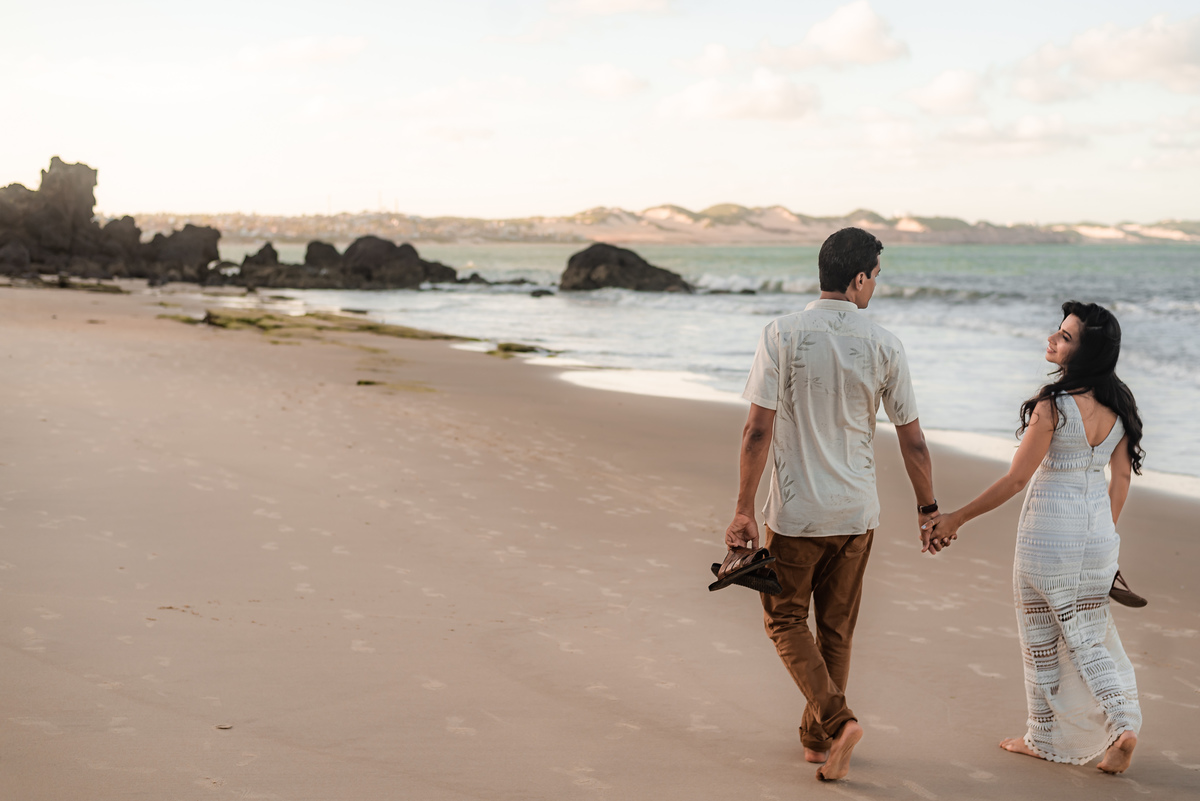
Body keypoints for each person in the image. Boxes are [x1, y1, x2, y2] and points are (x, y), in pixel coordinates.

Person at [725, 227, 941, 782]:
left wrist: (744, 510)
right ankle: (818, 741)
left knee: (783, 619)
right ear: (859, 277)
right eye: (875, 277)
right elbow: (913, 440)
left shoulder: (782, 334)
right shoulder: (885, 344)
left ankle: (836, 723)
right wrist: (928, 510)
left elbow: (756, 431)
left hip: (798, 516)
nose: (875, 288)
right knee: (836, 630)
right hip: (857, 515)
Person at [930, 301, 1143, 774]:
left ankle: (1043, 738)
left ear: (1084, 353)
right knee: (1091, 638)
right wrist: (1102, 536)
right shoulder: (1120, 403)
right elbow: (1121, 479)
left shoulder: (1054, 405)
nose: (1052, 339)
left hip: (1049, 537)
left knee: (1042, 638)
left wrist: (957, 518)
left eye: (1065, 337)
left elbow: (1015, 480)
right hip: (1098, 538)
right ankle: (1124, 724)